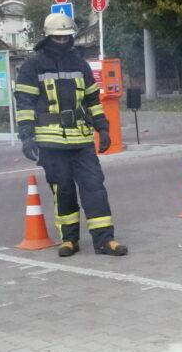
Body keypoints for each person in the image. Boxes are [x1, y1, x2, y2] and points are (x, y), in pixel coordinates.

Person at [13, 13, 128, 258]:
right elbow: (24, 104)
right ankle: (69, 240)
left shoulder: (80, 64)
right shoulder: (32, 66)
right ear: (48, 36)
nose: (63, 41)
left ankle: (105, 240)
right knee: (63, 190)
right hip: (51, 142)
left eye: (66, 36)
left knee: (95, 187)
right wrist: (27, 136)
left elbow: (92, 100)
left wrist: (103, 128)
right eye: (58, 37)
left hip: (81, 139)